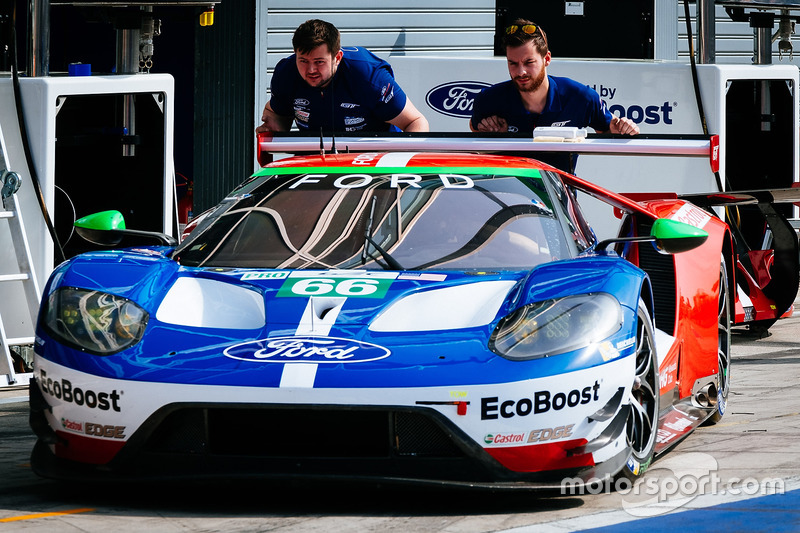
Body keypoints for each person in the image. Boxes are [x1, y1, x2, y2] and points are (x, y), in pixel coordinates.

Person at [470, 19, 638, 170]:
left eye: (529, 62)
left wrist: (621, 129)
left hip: (558, 198)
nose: (521, 72)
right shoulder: (489, 99)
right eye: (513, 63)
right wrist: (493, 135)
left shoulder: (580, 97)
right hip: (505, 196)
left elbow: (608, 129)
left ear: (547, 59)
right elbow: (474, 134)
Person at [256, 19, 429, 134]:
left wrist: (401, 169)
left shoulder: (368, 75)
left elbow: (416, 122)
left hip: (375, 163)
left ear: (337, 58)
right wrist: (272, 126)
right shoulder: (286, 73)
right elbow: (277, 114)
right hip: (316, 162)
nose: (310, 70)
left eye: (319, 62)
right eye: (303, 60)